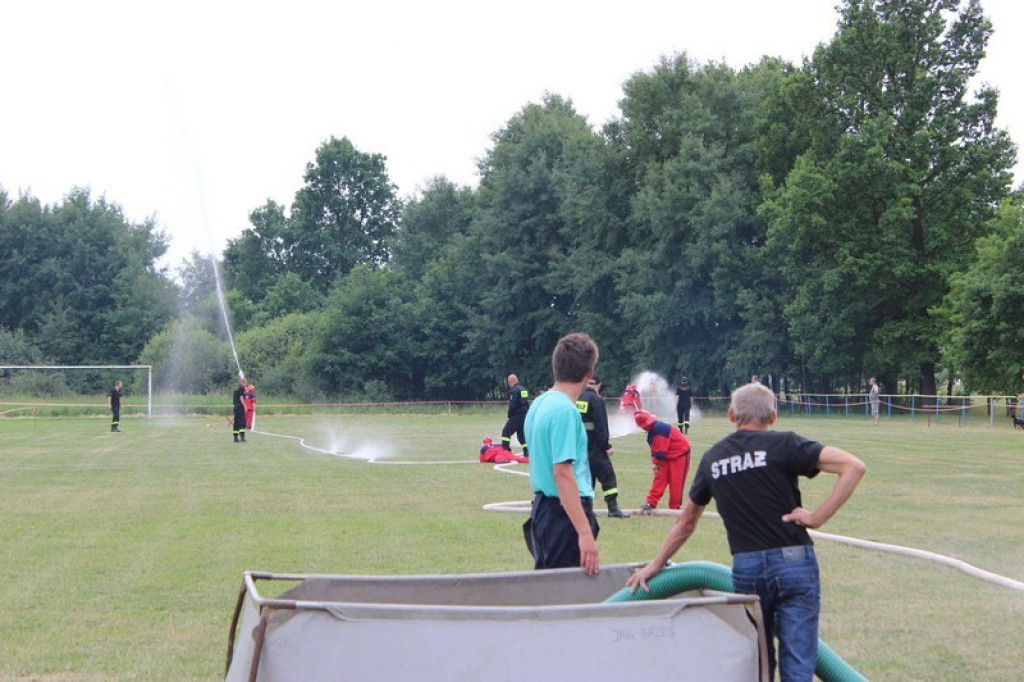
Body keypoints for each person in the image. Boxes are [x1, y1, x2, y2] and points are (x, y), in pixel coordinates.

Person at [626, 382, 866, 682]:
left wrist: (656, 564)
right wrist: (816, 518)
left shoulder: (713, 458)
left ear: (731, 414)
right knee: (798, 666)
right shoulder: (785, 444)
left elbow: (686, 523)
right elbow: (853, 466)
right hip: (794, 563)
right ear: (773, 416)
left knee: (759, 664)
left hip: (748, 569)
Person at [523, 332, 600, 575]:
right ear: (589, 372)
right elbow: (562, 474)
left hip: (545, 512)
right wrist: (584, 532)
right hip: (562, 517)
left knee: (548, 588)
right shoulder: (565, 411)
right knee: (567, 591)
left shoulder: (539, 404)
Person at [577, 373, 629, 518]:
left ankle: (586, 510)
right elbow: (601, 427)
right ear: (597, 385)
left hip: (581, 446)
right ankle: (613, 509)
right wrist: (607, 446)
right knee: (608, 476)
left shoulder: (577, 398)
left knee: (587, 478)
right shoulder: (596, 400)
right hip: (596, 447)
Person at [634, 409, 691, 514]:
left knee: (676, 482)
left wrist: (656, 464)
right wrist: (656, 463)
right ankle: (650, 503)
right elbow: (656, 450)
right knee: (659, 479)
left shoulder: (660, 430)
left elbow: (660, 451)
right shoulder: (653, 430)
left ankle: (675, 508)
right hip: (666, 456)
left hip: (680, 455)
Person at [501, 374, 530, 457]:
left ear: (510, 382)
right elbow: (526, 403)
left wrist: (509, 415)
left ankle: (506, 450)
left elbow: (512, 405)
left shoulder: (514, 391)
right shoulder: (523, 389)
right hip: (525, 415)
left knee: (506, 432)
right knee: (521, 435)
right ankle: (527, 451)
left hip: (516, 415)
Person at [232, 377, 247, 443]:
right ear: (244, 382)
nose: (246, 384)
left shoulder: (237, 389)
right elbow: (241, 398)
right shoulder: (242, 388)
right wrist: (245, 406)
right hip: (240, 407)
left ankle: (235, 438)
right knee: (241, 422)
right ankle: (242, 438)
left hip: (235, 407)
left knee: (236, 423)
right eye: (246, 383)